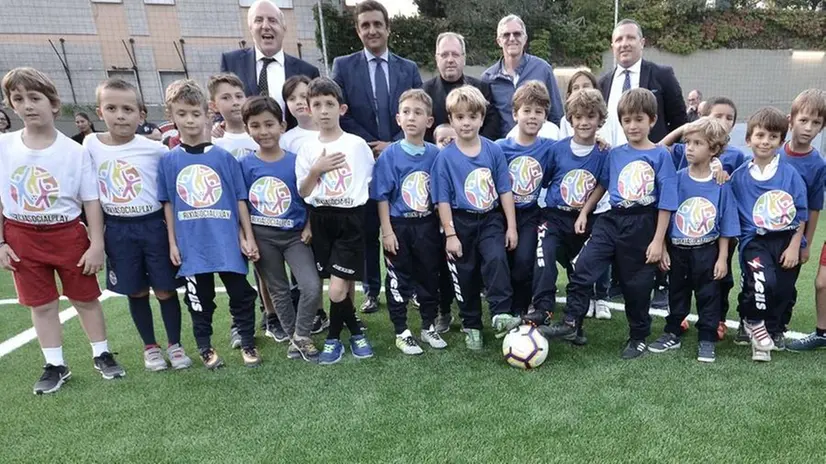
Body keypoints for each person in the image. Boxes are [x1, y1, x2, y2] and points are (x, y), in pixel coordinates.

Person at [0, 67, 125, 394]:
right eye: (18, 99)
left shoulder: (75, 151)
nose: (28, 105)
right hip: (21, 235)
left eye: (35, 97)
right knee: (41, 304)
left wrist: (96, 243)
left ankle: (102, 353)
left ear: (53, 104)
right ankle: (54, 363)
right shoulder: (4, 146)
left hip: (67, 233)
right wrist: (1, 241)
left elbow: (91, 201)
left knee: (85, 298)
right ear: (11, 105)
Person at [540, 88, 678, 359]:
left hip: (642, 223)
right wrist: (584, 213)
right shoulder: (614, 154)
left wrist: (658, 241)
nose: (633, 126)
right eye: (627, 120)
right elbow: (602, 185)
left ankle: (638, 336)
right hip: (611, 219)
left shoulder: (660, 156)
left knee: (635, 285)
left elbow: (667, 202)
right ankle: (570, 322)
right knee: (583, 266)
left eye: (639, 119)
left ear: (652, 120)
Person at [86, 78, 191, 372]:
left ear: (140, 114)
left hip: (153, 226)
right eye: (112, 108)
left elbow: (171, 189)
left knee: (166, 289)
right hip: (119, 230)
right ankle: (150, 347)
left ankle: (174, 344)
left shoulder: (156, 149)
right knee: (136, 291)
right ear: (100, 111)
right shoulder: (91, 144)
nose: (120, 115)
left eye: (128, 109)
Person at [157, 79, 261, 369]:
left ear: (207, 114)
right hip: (192, 245)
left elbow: (240, 199)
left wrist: (247, 236)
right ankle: (205, 346)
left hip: (226, 240)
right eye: (182, 114)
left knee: (241, 294)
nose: (190, 120)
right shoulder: (168, 161)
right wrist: (173, 242)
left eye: (195, 113)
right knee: (199, 300)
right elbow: (168, 203)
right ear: (172, 117)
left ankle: (248, 342)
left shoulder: (225, 158)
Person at [331, 0, 423, 313]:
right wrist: (372, 144)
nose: (372, 30)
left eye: (377, 24)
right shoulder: (342, 66)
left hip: (400, 154)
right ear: (358, 31)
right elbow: (341, 112)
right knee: (368, 227)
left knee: (403, 222)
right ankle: (372, 289)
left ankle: (407, 286)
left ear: (388, 28)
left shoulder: (408, 68)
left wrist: (393, 143)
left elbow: (418, 109)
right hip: (362, 156)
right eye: (365, 25)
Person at [295, 77, 376, 365]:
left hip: (350, 220)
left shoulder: (356, 145)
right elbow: (304, 192)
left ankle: (332, 339)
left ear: (341, 108)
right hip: (320, 221)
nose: (324, 110)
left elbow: (367, 185)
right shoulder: (306, 150)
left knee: (340, 288)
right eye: (317, 105)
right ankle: (355, 332)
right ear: (308, 109)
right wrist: (316, 169)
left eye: (329, 104)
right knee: (334, 283)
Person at [430, 85, 518, 350]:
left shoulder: (493, 151)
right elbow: (442, 200)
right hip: (460, 222)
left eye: (472, 116)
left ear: (481, 118)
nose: (466, 122)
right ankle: (472, 325)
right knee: (465, 274)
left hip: (490, 219)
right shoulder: (444, 158)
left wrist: (511, 226)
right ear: (451, 119)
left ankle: (501, 313)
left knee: (496, 260)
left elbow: (504, 190)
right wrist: (451, 234)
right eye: (459, 117)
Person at [647, 118, 739, 363]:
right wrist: (664, 248)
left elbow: (726, 225)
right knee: (677, 292)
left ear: (714, 149)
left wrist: (722, 258)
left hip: (707, 250)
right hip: (678, 250)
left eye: (698, 143)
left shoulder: (721, 184)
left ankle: (707, 338)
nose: (689, 148)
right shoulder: (675, 179)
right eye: (688, 142)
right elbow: (664, 214)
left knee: (709, 295)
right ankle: (673, 331)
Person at [240, 96, 323, 363]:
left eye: (269, 124)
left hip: (295, 236)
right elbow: (240, 205)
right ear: (247, 129)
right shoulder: (245, 165)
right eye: (255, 126)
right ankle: (296, 338)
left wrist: (309, 224)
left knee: (310, 285)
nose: (263, 132)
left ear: (282, 126)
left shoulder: (297, 161)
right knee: (278, 290)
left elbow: (310, 195)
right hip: (263, 237)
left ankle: (300, 335)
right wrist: (247, 238)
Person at [530, 88, 609, 345]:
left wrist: (585, 211)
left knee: (581, 269)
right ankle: (543, 309)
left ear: (600, 119)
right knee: (545, 254)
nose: (584, 122)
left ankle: (574, 323)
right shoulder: (557, 150)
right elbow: (546, 181)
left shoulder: (604, 153)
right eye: (578, 116)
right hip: (554, 216)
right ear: (570, 119)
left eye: (590, 116)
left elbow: (602, 184)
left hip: (584, 221)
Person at [729, 107, 808, 362]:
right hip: (755, 242)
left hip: (786, 241)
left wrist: (795, 245)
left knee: (783, 290)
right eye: (760, 135)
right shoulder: (739, 176)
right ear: (749, 138)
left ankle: (772, 331)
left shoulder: (790, 174)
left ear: (781, 142)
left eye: (772, 137)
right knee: (763, 282)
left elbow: (802, 213)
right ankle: (754, 321)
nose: (765, 141)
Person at [372, 89, 447, 354]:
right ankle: (402, 330)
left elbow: (440, 195)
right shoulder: (390, 155)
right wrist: (387, 231)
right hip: (399, 225)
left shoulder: (436, 155)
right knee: (398, 278)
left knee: (429, 276)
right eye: (406, 112)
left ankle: (427, 326)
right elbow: (382, 196)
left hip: (426, 226)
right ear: (398, 119)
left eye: (418, 112)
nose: (411, 117)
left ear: (429, 121)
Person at [495, 81, 556, 319]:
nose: (532, 117)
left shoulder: (550, 148)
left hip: (531, 215)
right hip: (501, 214)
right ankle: (501, 305)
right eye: (527, 110)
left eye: (538, 112)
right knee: (500, 261)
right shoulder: (500, 148)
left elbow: (577, 147)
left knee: (523, 262)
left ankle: (521, 308)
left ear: (545, 117)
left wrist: (600, 142)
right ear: (514, 114)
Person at [280, 74, 330, 335]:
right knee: (303, 266)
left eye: (303, 96)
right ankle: (313, 312)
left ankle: (340, 311)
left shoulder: (328, 132)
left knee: (327, 264)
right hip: (296, 212)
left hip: (324, 210)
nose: (299, 102)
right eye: (291, 98)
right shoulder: (287, 139)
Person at [220, 0, 319, 130]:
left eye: (272, 20)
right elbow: (221, 101)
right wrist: (219, 123)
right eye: (259, 20)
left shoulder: (307, 71)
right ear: (250, 28)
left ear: (284, 28)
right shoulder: (231, 62)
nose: (265, 26)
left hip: (293, 145)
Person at [780, 90, 826, 352]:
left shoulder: (817, 164)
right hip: (766, 233)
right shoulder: (775, 150)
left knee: (786, 283)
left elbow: (814, 206)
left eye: (816, 123)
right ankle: (750, 321)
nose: (808, 128)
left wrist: (806, 244)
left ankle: (780, 325)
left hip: (795, 236)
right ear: (791, 119)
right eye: (804, 120)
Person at [598, 19, 687, 144]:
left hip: (653, 159)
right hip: (612, 159)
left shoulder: (662, 76)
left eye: (630, 38)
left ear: (642, 43)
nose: (624, 44)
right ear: (613, 46)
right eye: (619, 40)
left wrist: (668, 153)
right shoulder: (602, 84)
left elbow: (680, 121)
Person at [482, 15, 564, 134]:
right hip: (505, 149)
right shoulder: (488, 78)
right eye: (506, 35)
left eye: (517, 34)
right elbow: (487, 122)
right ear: (499, 41)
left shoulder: (543, 69)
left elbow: (556, 114)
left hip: (540, 147)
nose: (512, 38)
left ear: (525, 39)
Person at [422, 32, 499, 142]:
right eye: (444, 55)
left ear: (464, 58)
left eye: (455, 54)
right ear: (436, 59)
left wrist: (474, 147)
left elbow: (492, 125)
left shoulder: (481, 89)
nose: (450, 60)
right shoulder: (425, 92)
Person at [433, 122, 458, 333]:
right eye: (442, 141)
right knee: (440, 271)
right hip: (435, 231)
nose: (448, 144)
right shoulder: (432, 164)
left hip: (462, 227)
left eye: (452, 140)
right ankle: (444, 310)